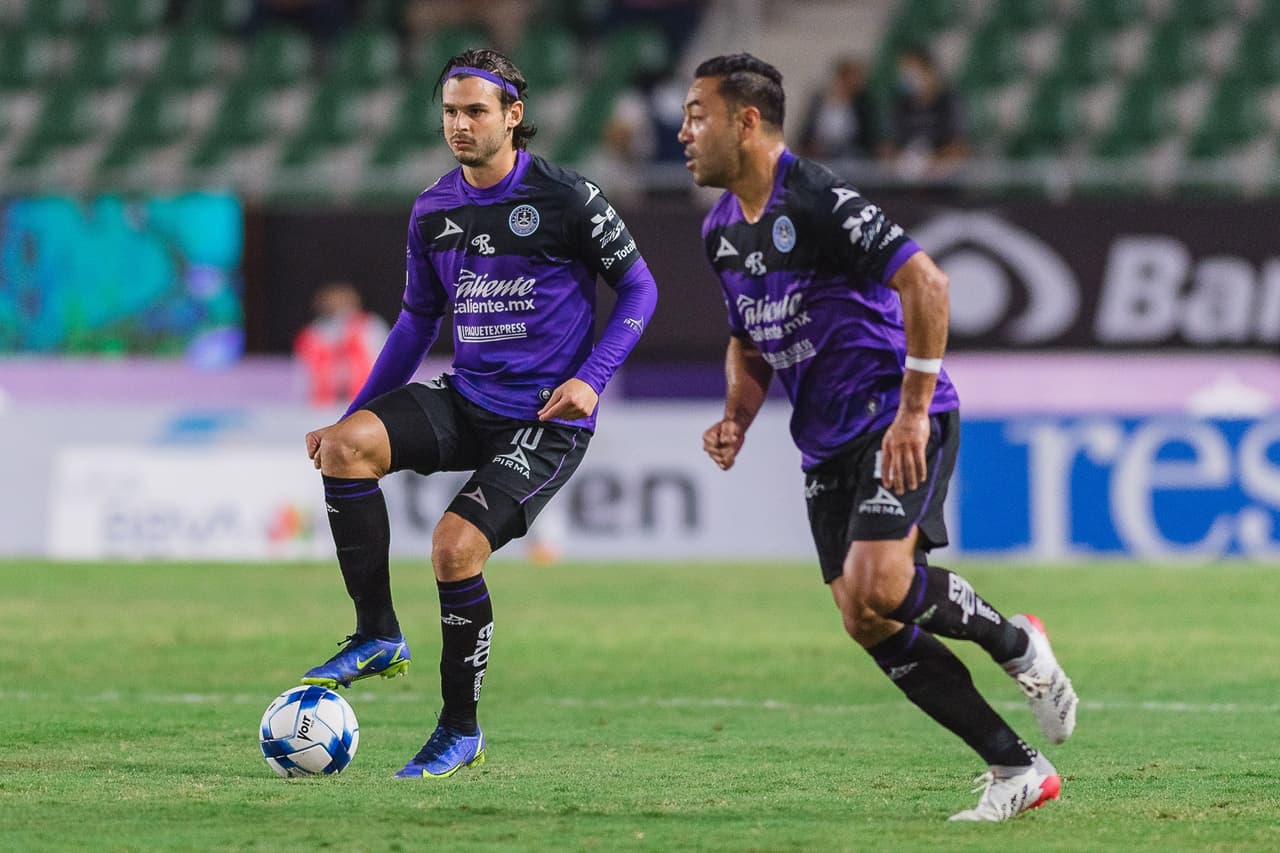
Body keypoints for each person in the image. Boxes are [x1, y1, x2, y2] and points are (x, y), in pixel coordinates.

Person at [678, 53, 1077, 822]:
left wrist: (913, 409)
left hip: (894, 415)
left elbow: (927, 281)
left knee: (882, 584)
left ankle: (1015, 641)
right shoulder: (721, 231)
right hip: (825, 441)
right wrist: (737, 413)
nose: (685, 132)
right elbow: (750, 339)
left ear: (747, 121)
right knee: (867, 618)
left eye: (699, 115)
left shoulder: (819, 198)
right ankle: (1016, 767)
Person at [299, 47, 659, 779]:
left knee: (454, 548)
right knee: (344, 452)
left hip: (545, 419)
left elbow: (642, 289)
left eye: (475, 111)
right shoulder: (434, 209)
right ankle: (377, 633)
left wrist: (592, 379)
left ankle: (459, 730)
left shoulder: (569, 198)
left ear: (513, 117)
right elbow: (413, 325)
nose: (459, 125)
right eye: (449, 113)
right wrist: (354, 414)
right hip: (467, 396)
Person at [293, 281, 389, 407]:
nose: (337, 304)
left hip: (363, 401)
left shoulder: (370, 327)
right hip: (322, 405)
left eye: (342, 299)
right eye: (332, 300)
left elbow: (384, 362)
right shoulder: (311, 334)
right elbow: (303, 376)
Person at [883, 45, 968, 182]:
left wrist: (932, 163)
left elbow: (959, 146)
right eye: (904, 72)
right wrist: (900, 165)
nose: (907, 76)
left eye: (911, 70)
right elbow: (887, 145)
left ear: (928, 70)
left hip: (943, 182)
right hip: (904, 182)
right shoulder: (899, 103)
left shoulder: (948, 102)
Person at [797, 56, 880, 162]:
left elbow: (869, 136)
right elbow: (806, 131)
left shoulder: (863, 104)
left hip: (850, 154)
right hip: (819, 152)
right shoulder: (818, 101)